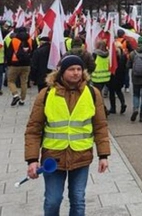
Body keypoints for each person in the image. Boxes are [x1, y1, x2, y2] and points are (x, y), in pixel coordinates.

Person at [24, 55, 110, 215]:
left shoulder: (92, 93)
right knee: (52, 201)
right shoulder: (46, 93)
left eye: (79, 69)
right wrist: (32, 160)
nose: (76, 73)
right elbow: (33, 129)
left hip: (81, 155)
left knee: (78, 199)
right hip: (53, 158)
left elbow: (100, 126)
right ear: (61, 72)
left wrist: (103, 155)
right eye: (71, 69)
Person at [6, 26, 34, 106]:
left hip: (15, 64)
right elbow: (34, 52)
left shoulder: (14, 40)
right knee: (24, 82)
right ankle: (22, 100)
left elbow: (9, 53)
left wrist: (9, 63)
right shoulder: (30, 40)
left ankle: (15, 95)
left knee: (11, 81)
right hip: (27, 64)